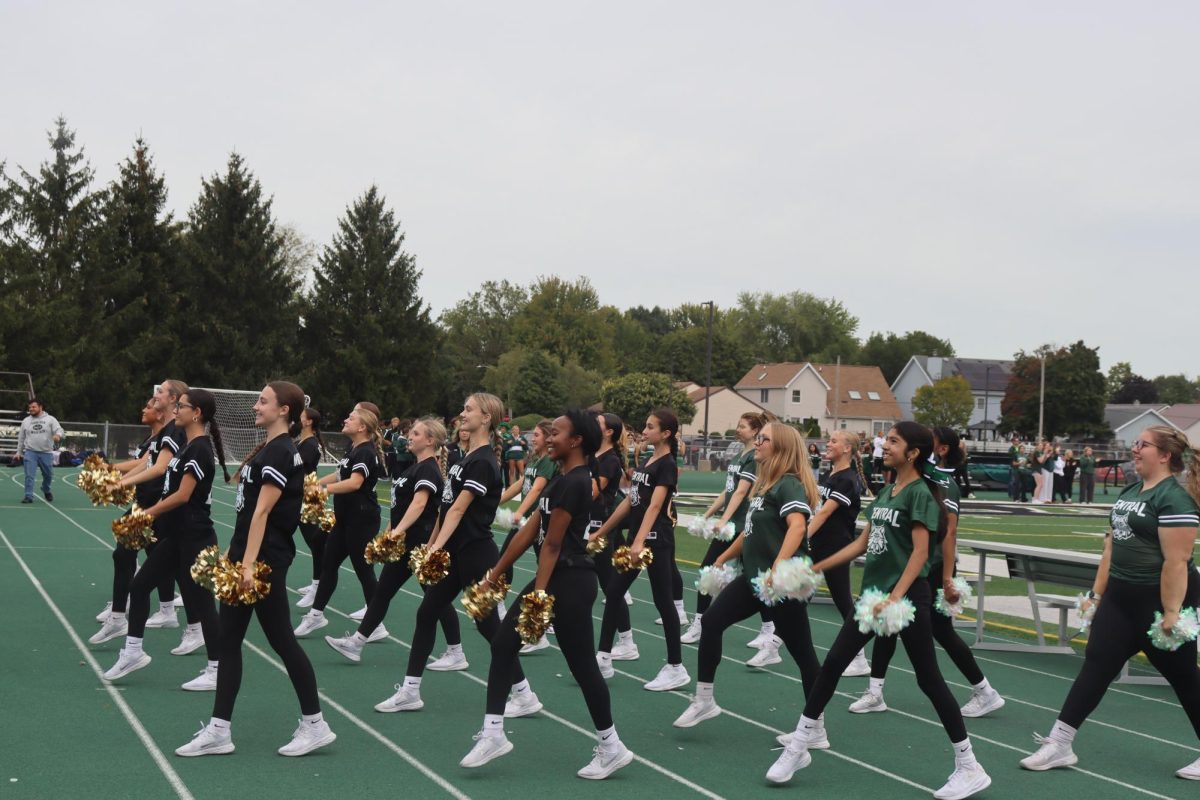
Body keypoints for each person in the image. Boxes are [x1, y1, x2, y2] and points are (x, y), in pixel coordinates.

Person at [767, 421, 991, 799]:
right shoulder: (887, 491)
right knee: (834, 662)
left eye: (893, 441)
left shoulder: (920, 493)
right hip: (874, 596)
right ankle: (800, 745)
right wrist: (811, 569)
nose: (884, 446)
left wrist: (896, 597)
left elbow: (921, 553)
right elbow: (860, 545)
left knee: (928, 679)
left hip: (906, 599)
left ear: (914, 453)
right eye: (886, 440)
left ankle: (969, 765)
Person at [459, 409, 634, 779]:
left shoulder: (576, 482)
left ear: (577, 441)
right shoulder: (560, 479)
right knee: (505, 646)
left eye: (556, 433)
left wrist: (538, 594)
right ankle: (493, 733)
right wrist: (495, 573)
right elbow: (529, 533)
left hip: (568, 581)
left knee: (582, 666)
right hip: (557, 578)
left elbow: (553, 545)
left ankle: (611, 745)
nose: (550, 438)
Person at [1020, 426, 1200, 780]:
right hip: (1120, 595)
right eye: (1135, 443)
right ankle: (1060, 742)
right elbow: (1110, 548)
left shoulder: (1175, 500)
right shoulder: (1130, 491)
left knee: (1184, 677)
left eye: (1143, 445)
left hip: (1159, 598)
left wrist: (1172, 612)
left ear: (1164, 455)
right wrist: (1096, 595)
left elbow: (1176, 562)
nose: (1135, 450)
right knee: (1097, 664)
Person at [176, 381, 335, 757]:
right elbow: (249, 514)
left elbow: (263, 511)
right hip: (245, 559)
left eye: (263, 401)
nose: (254, 407)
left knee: (282, 641)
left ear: (284, 410)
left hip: (262, 563)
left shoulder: (281, 452)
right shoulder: (271, 447)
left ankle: (315, 724)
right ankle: (219, 730)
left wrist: (246, 565)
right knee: (229, 643)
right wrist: (233, 559)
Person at [374, 393, 536, 715]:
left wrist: (433, 549)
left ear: (486, 417)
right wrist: (431, 546)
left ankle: (524, 693)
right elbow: (444, 510)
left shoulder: (485, 461)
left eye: (468, 409)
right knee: (426, 612)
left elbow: (460, 510)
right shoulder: (464, 458)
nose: (462, 414)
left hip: (477, 555)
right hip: (456, 554)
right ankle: (410, 690)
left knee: (488, 627)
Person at [672, 423, 822, 732]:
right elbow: (750, 532)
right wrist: (722, 558)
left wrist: (778, 567)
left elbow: (797, 527)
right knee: (711, 622)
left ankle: (816, 727)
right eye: (758, 437)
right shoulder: (767, 485)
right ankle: (704, 701)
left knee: (803, 654)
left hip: (782, 584)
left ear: (779, 447)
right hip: (755, 578)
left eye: (763, 438)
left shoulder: (789, 485)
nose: (757, 442)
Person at [848, 426, 1005, 720]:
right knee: (888, 623)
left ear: (940, 449)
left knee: (941, 631)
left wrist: (947, 578)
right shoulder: (917, 481)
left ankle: (984, 691)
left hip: (931, 568)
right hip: (913, 565)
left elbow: (950, 533)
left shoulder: (944, 484)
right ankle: (875, 691)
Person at [103, 390, 225, 690]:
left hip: (196, 537)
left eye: (182, 406)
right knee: (140, 585)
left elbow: (183, 496)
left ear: (196, 413)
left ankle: (217, 668)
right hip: (177, 535)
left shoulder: (199, 449)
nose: (177, 411)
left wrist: (148, 514)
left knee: (203, 603)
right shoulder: (187, 447)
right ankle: (133, 652)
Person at [323, 417, 465, 669]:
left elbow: (419, 504)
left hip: (421, 545)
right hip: (405, 544)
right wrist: (389, 532)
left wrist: (397, 531)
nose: (410, 436)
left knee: (435, 598)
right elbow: (400, 508)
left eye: (417, 433)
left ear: (431, 441)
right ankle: (357, 643)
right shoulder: (413, 468)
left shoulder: (428, 469)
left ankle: (456, 652)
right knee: (382, 592)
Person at [590, 408, 688, 692]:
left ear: (665, 434)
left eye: (650, 427)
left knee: (663, 601)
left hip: (656, 540)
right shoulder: (648, 460)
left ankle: (675, 666)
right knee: (615, 592)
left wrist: (638, 542)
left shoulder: (667, 464)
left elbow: (656, 506)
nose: (644, 431)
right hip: (640, 537)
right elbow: (630, 502)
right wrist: (603, 530)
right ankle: (604, 657)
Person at [682, 412, 773, 661]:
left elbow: (742, 491)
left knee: (710, 568)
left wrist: (724, 520)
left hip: (741, 524)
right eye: (738, 424)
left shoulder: (753, 460)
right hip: (732, 521)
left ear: (755, 432)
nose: (738, 429)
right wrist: (710, 513)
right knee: (751, 576)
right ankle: (769, 629)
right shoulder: (738, 455)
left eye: (743, 426)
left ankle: (700, 623)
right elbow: (729, 489)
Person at [90, 399, 178, 646]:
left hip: (156, 504)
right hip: (146, 502)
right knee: (150, 556)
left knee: (159, 560)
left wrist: (117, 482)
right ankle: (165, 610)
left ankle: (179, 618)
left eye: (157, 397)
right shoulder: (157, 437)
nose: (146, 406)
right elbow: (144, 464)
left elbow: (158, 468)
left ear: (169, 403)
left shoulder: (173, 434)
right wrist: (113, 475)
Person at [293, 406, 385, 636]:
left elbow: (354, 483)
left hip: (362, 520)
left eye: (351, 417)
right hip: (345, 519)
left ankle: (376, 625)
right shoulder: (353, 448)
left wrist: (324, 490)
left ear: (362, 427)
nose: (346, 418)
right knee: (329, 564)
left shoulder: (365, 451)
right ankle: (316, 615)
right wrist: (313, 484)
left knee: (364, 572)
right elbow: (340, 473)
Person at [807, 430, 871, 677]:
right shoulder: (829, 473)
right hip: (820, 544)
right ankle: (774, 640)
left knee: (843, 600)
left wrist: (803, 536)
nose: (828, 444)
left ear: (847, 449)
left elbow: (825, 513)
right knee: (799, 593)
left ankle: (859, 656)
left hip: (836, 547)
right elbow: (817, 507)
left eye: (834, 441)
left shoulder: (847, 479)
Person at [496, 419, 558, 652]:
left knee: (542, 569)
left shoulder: (549, 462)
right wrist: (496, 501)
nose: (534, 438)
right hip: (529, 521)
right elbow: (522, 484)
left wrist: (519, 513)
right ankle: (542, 621)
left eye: (538, 435)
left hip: (537, 522)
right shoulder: (534, 458)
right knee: (513, 559)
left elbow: (537, 489)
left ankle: (538, 625)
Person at [295, 407, 328, 607]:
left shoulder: (310, 444)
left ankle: (319, 585)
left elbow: (302, 472)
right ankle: (318, 583)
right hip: (301, 493)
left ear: (308, 422)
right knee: (314, 541)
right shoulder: (302, 442)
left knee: (315, 541)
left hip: (308, 495)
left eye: (300, 417)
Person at [15, 398, 64, 503]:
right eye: (29, 407)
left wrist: (57, 435)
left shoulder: (50, 419)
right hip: (30, 452)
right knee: (29, 475)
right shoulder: (26, 421)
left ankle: (46, 489)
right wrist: (18, 452)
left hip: (46, 452)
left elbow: (59, 430)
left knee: (48, 475)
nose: (31, 409)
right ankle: (29, 496)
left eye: (33, 407)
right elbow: (21, 438)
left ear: (40, 407)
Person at [1007, 437, 1024, 502]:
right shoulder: (1011, 449)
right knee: (1012, 481)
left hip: (1019, 467)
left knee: (1018, 482)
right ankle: (1011, 494)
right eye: (1016, 441)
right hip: (1013, 467)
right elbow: (1011, 456)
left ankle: (1017, 494)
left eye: (1018, 441)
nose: (1017, 442)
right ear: (1013, 442)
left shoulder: (1019, 448)